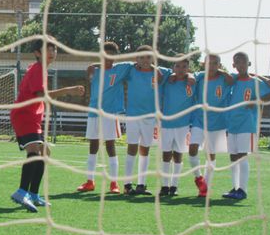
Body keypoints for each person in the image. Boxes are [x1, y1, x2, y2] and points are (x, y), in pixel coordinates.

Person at [9, 40, 85, 212]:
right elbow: (41, 95)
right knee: (34, 151)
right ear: (37, 53)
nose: (52, 52)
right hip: (23, 115)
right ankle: (21, 192)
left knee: (44, 153)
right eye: (47, 49)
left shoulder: (39, 69)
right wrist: (68, 90)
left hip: (33, 117)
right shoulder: (37, 69)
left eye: (54, 49)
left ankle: (34, 195)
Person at [222, 52, 270, 201]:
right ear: (233, 65)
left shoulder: (255, 82)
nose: (241, 65)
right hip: (232, 124)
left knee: (242, 155)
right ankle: (234, 187)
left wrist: (256, 100)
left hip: (246, 124)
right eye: (237, 62)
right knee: (233, 156)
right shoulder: (233, 80)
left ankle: (242, 189)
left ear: (249, 63)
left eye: (243, 62)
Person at [77, 41, 131, 194]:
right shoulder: (94, 71)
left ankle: (114, 183)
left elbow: (135, 63)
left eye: (111, 56)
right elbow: (90, 74)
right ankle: (89, 181)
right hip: (94, 112)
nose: (107, 58)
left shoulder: (120, 69)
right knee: (93, 146)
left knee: (110, 146)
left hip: (110, 114)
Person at [121, 45, 172, 196]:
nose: (145, 60)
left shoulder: (160, 73)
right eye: (141, 57)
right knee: (132, 148)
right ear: (136, 59)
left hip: (150, 117)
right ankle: (127, 184)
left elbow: (177, 73)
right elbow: (112, 66)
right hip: (133, 116)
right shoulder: (130, 70)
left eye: (148, 57)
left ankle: (141, 184)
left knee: (145, 150)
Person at [188, 55, 234, 197]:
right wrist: (190, 75)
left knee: (211, 154)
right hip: (200, 119)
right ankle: (198, 178)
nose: (212, 66)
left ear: (219, 65)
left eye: (215, 63)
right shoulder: (200, 77)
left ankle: (205, 186)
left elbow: (235, 80)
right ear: (203, 64)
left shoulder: (225, 78)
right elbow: (190, 76)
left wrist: (225, 73)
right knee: (192, 148)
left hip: (218, 122)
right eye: (209, 63)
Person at [157, 58, 196, 198]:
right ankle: (164, 185)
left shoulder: (193, 81)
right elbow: (154, 66)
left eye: (184, 66)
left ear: (188, 68)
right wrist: (171, 74)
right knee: (166, 154)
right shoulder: (167, 78)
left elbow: (203, 74)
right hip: (166, 123)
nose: (180, 69)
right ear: (173, 67)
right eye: (177, 66)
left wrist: (191, 76)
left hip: (183, 124)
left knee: (178, 155)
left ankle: (174, 185)